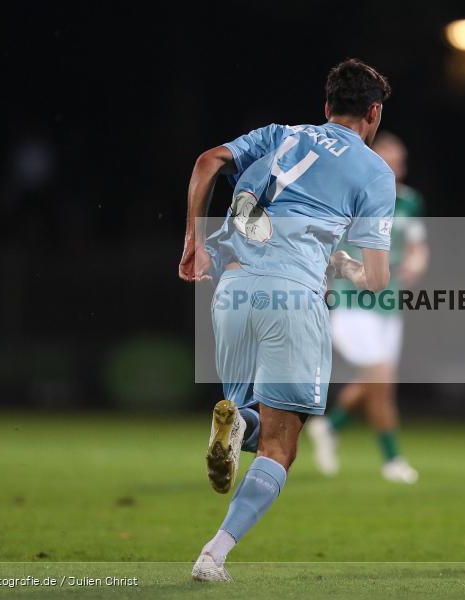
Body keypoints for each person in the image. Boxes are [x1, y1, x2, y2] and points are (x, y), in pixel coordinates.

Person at [177, 58, 394, 583]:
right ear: (373, 113)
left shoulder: (278, 133)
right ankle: (214, 555)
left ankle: (234, 427)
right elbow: (379, 279)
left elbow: (208, 160)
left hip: (230, 293)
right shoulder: (374, 171)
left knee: (254, 416)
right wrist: (348, 269)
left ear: (325, 108)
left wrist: (193, 240)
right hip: (294, 299)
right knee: (282, 443)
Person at [307, 132, 428, 484]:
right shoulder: (352, 196)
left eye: (400, 161)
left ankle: (329, 426)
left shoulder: (409, 201)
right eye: (390, 160)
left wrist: (417, 264)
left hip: (389, 305)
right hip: (351, 302)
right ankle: (393, 460)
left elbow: (418, 246)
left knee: (377, 381)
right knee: (381, 379)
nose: (396, 168)